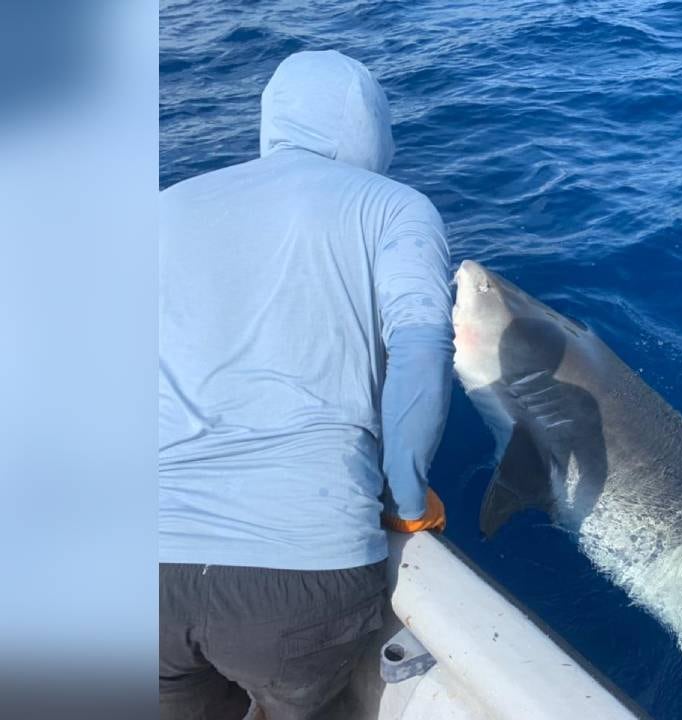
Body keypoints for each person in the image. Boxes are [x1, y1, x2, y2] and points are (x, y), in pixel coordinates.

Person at [159, 50, 453, 719]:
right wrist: (407, 498)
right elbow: (421, 346)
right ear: (370, 128)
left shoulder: (164, 207)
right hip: (298, 586)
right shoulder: (395, 208)